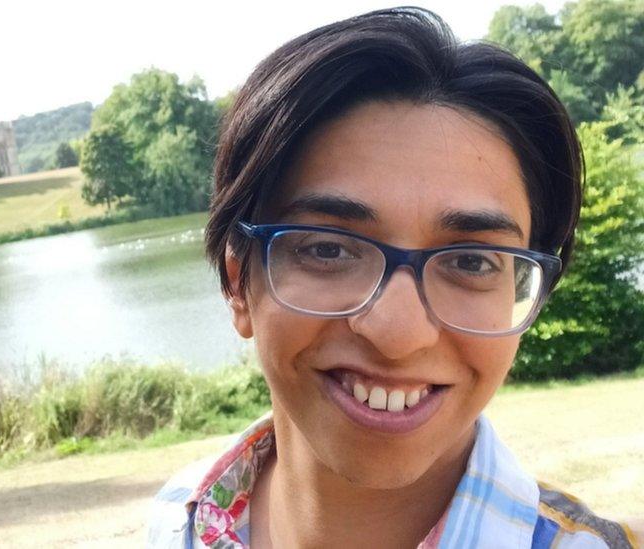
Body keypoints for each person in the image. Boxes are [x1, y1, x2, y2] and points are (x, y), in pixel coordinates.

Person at [147, 7, 640, 549]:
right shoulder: (180, 521)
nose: (398, 333)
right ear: (237, 282)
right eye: (329, 249)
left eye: (472, 262)